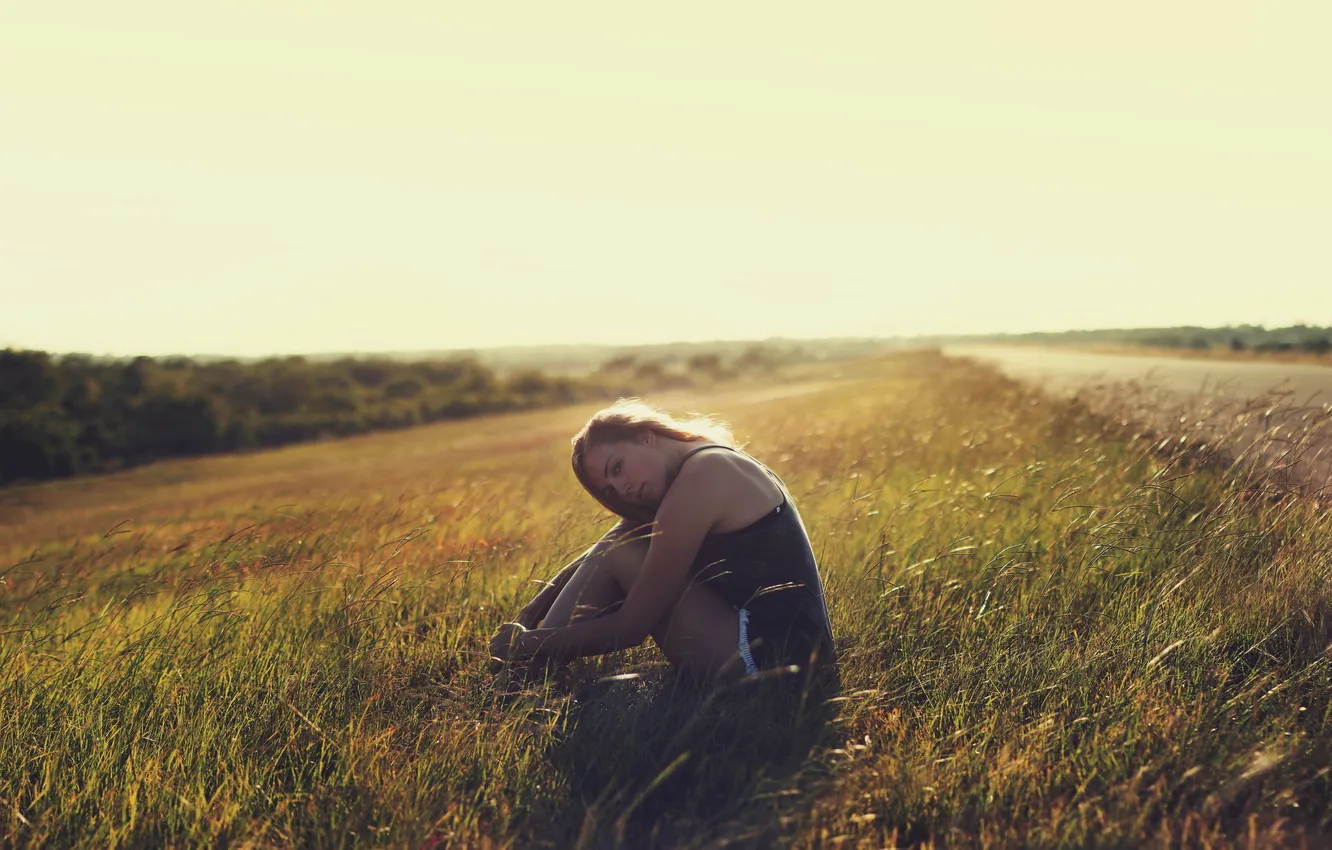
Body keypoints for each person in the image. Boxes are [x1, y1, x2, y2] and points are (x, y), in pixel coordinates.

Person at [489, 398, 835, 682]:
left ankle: (524, 678)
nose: (622, 488)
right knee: (619, 547)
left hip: (776, 663)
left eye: (618, 467)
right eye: (610, 488)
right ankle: (527, 675)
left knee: (623, 554)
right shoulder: (702, 461)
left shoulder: (703, 476)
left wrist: (526, 643)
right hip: (790, 650)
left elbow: (631, 628)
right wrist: (529, 612)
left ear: (645, 435)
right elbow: (605, 546)